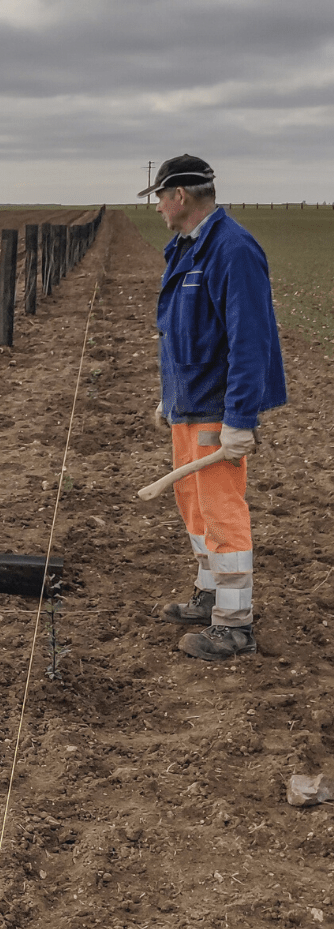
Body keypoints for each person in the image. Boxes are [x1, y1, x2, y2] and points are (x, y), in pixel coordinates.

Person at [140, 155, 288, 661]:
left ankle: (235, 624)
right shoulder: (188, 247)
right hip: (190, 404)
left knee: (222, 511)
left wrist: (240, 419)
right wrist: (169, 396)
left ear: (179, 195)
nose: (157, 207)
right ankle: (209, 595)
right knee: (194, 505)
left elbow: (250, 341)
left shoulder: (232, 249)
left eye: (159, 197)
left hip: (216, 409)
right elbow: (183, 332)